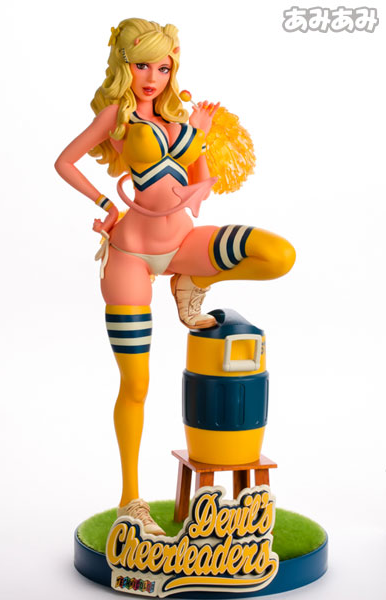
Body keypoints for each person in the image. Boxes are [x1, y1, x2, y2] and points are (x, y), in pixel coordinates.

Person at [55, 18, 295, 535]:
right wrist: (106, 205)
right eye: (142, 65)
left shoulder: (180, 117)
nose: (152, 77)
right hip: (131, 256)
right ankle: (131, 500)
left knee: (278, 255)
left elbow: (200, 184)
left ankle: (190, 282)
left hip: (183, 244)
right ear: (124, 64)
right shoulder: (117, 117)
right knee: (136, 384)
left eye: (162, 67)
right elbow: (65, 162)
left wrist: (200, 145)